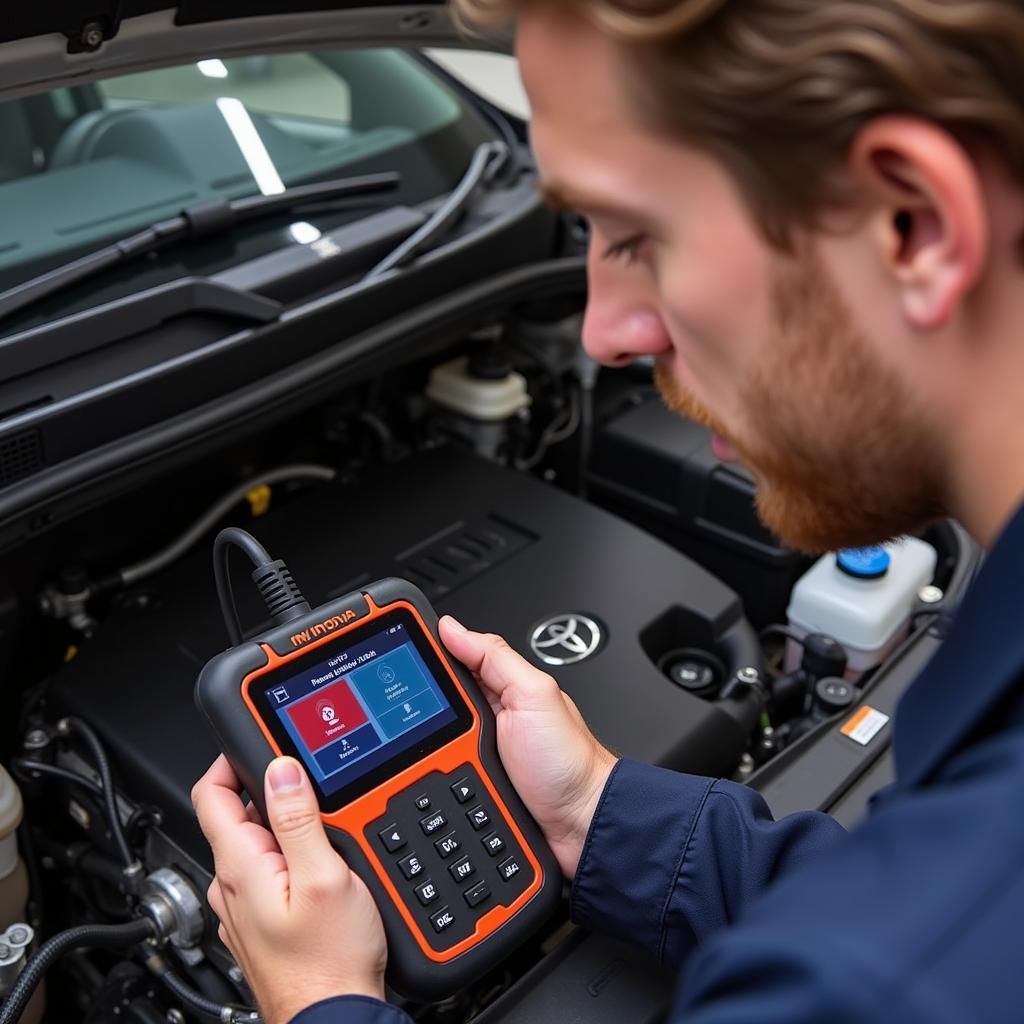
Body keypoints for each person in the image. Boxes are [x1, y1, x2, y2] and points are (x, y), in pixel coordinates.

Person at [191, 1, 1024, 1021]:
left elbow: (897, 946)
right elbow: (892, 894)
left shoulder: (872, 981)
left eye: (635, 235)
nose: (602, 335)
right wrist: (591, 814)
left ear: (915, 224)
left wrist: (321, 998)